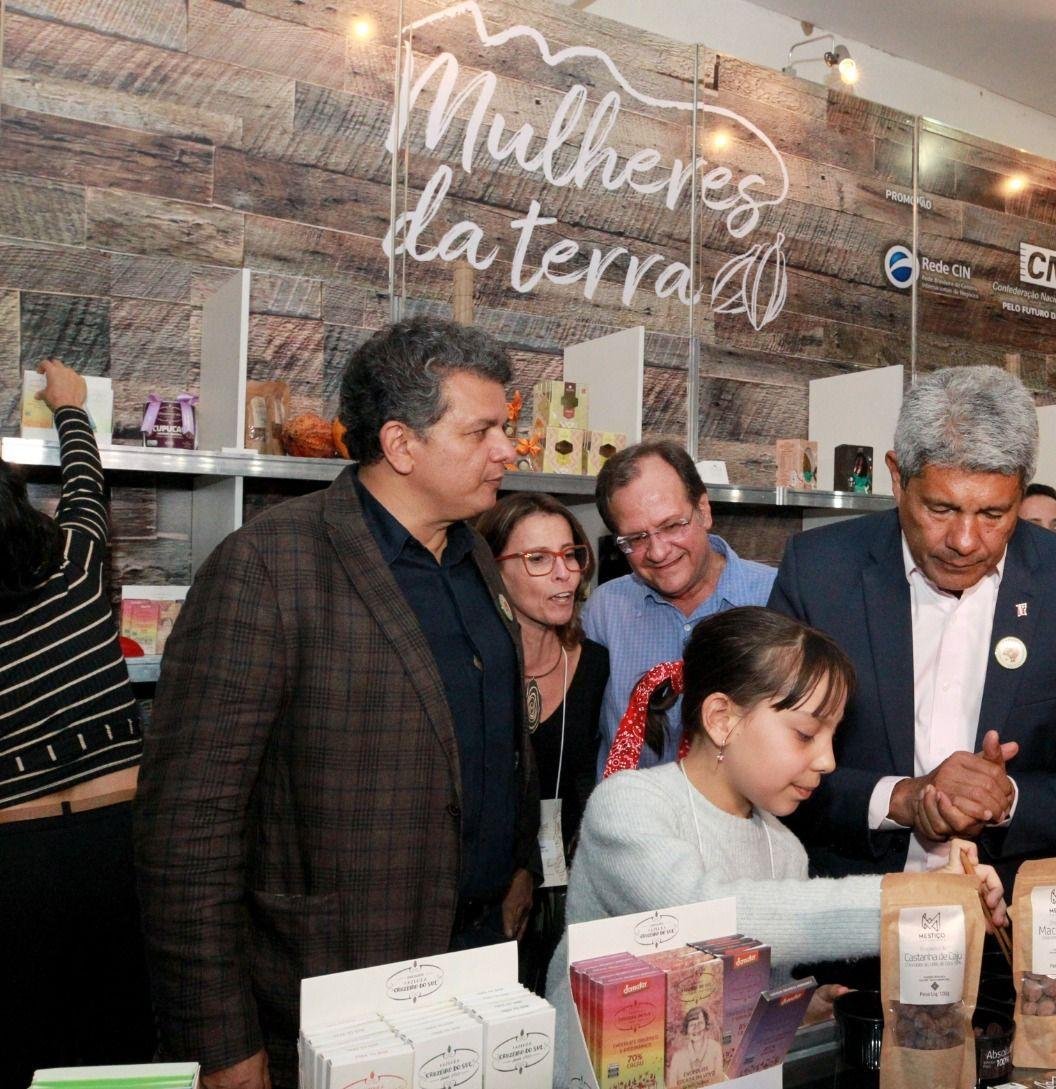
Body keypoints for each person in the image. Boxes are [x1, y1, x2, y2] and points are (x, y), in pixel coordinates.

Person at [134, 318, 542, 1089]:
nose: (508, 450)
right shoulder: (269, 566)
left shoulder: (474, 554)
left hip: (475, 974)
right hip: (330, 994)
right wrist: (220, 1040)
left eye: (507, 428)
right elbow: (187, 831)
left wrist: (516, 864)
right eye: (483, 429)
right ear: (401, 443)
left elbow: (489, 732)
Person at [547, 607, 1007, 1082]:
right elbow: (707, 918)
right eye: (806, 734)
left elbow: (745, 994)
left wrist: (796, 1014)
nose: (828, 760)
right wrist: (919, 900)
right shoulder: (628, 806)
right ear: (722, 718)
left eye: (833, 737)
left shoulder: (783, 846)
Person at [769, 365, 1056, 888]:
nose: (966, 541)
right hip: (848, 918)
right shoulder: (818, 573)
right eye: (941, 508)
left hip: (1012, 934)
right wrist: (899, 799)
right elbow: (765, 765)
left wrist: (1007, 800)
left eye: (994, 514)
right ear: (898, 476)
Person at [2, 360, 153, 1084]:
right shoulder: (75, 558)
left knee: (35, 1043)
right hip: (120, 837)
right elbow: (86, 483)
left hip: (18, 858)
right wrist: (70, 404)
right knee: (128, 1037)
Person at [476, 492, 610, 993]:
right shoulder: (471, 667)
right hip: (476, 901)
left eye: (570, 553)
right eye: (537, 559)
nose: (565, 573)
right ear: (493, 570)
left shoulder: (596, 665)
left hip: (568, 896)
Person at [586, 441, 776, 773]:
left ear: (704, 510)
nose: (658, 552)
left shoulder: (777, 597)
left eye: (672, 526)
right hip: (627, 819)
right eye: (636, 538)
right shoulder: (605, 610)